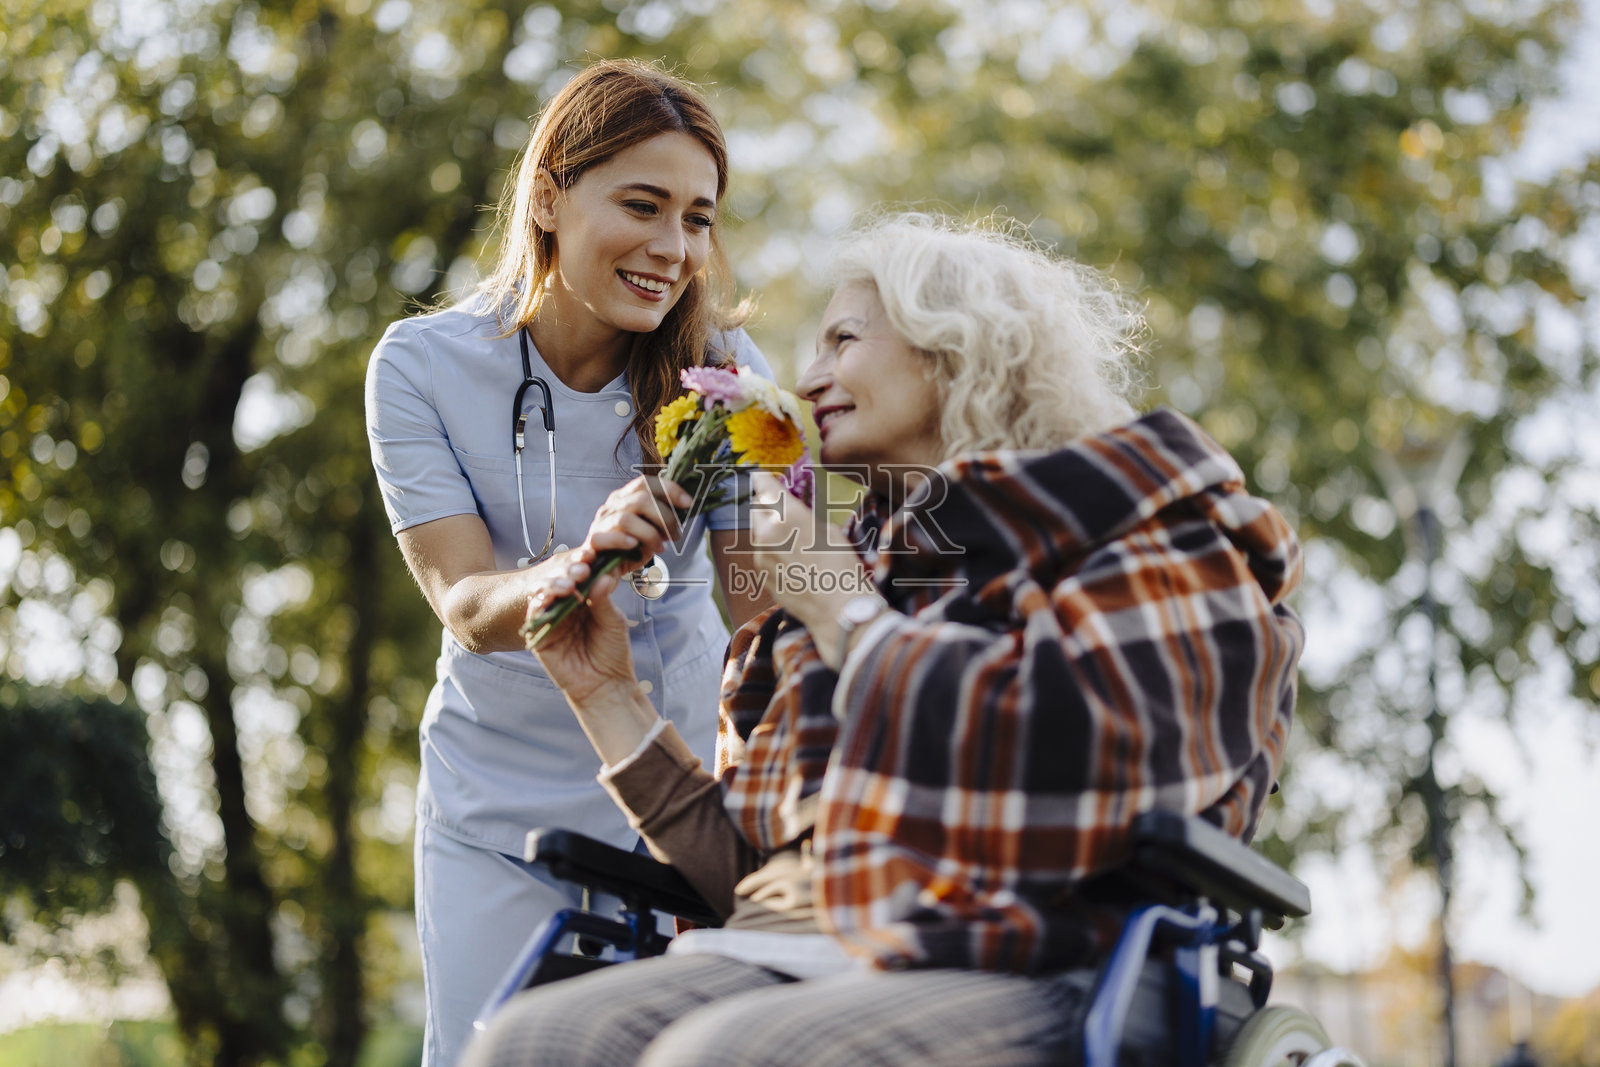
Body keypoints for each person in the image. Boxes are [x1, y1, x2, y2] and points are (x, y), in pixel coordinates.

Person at [463, 213, 1307, 1067]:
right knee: (531, 1043)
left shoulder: (1136, 529)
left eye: (843, 340)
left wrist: (848, 619)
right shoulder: (852, 563)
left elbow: (1093, 760)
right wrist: (605, 693)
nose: (807, 376)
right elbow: (756, 870)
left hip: (1030, 954)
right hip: (793, 948)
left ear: (955, 348)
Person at [363, 59, 776, 1067]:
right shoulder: (417, 366)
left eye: (698, 218)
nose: (672, 247)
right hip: (490, 798)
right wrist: (578, 565)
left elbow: (767, 597)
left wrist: (882, 527)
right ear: (548, 195)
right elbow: (462, 600)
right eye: (643, 205)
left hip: (670, 787)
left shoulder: (728, 378)